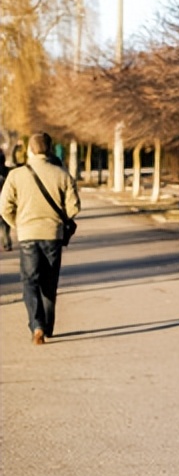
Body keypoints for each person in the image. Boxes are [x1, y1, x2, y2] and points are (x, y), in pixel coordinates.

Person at [0, 132, 81, 344]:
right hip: (52, 234)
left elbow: (4, 207)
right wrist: (59, 218)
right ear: (50, 149)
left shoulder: (16, 175)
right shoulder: (62, 174)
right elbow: (74, 207)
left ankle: (36, 325)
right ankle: (48, 326)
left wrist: (18, 225)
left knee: (30, 281)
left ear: (30, 150)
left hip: (27, 234)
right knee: (49, 281)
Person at [0, 149, 12, 251]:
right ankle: (6, 242)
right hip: (7, 199)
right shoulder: (9, 171)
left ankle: (5, 242)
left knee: (2, 225)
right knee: (5, 224)